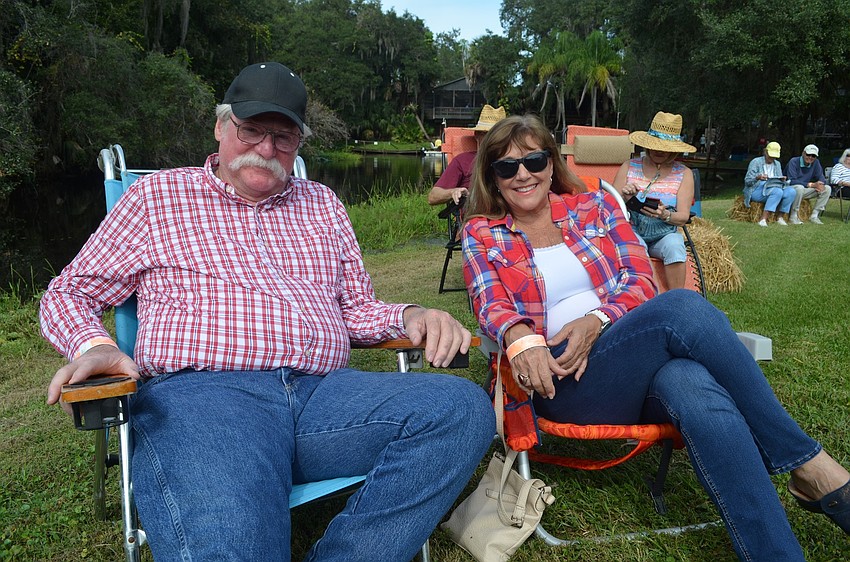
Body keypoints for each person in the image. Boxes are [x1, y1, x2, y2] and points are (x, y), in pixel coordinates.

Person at [40, 62, 496, 562]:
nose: (266, 148)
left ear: (300, 141)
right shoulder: (158, 198)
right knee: (235, 545)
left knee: (459, 410)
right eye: (252, 129)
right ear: (221, 126)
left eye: (284, 136)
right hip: (204, 399)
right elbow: (69, 292)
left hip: (323, 397)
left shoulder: (321, 203)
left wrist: (409, 316)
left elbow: (356, 309)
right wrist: (97, 345)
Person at [461, 113, 850, 562]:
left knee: (689, 381)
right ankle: (811, 467)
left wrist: (597, 320)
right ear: (492, 177)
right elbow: (490, 303)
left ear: (551, 163)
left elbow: (640, 280)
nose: (523, 174)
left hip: (629, 360)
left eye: (533, 160)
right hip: (562, 379)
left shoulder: (595, 207)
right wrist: (520, 335)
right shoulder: (482, 233)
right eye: (506, 167)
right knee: (680, 308)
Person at [613, 111, 695, 289]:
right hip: (632, 229)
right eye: (656, 145)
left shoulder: (684, 173)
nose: (659, 150)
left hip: (664, 234)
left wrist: (665, 215)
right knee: (635, 246)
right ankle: (649, 300)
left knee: (675, 246)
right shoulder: (629, 166)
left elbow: (683, 217)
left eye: (665, 147)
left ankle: (676, 299)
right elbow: (609, 206)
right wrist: (624, 197)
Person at [427, 104, 506, 206]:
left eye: (498, 136)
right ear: (477, 135)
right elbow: (433, 197)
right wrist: (453, 192)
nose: (492, 140)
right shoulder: (463, 160)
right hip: (475, 216)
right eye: (487, 134)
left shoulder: (511, 160)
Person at [743, 141, 797, 227]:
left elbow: (778, 180)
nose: (772, 158)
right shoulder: (755, 162)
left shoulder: (777, 164)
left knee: (791, 191)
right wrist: (758, 177)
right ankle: (763, 219)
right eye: (770, 155)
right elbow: (747, 181)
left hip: (774, 187)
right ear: (765, 152)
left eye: (774, 156)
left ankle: (780, 217)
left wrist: (782, 179)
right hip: (757, 189)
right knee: (777, 191)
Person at [786, 144, 830, 224]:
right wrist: (811, 185)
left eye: (813, 156)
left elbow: (821, 176)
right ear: (803, 153)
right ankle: (793, 216)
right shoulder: (794, 161)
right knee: (799, 188)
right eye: (808, 154)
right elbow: (791, 180)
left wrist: (821, 185)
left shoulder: (816, 162)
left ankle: (814, 215)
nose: (810, 157)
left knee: (827, 188)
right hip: (791, 190)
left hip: (804, 190)